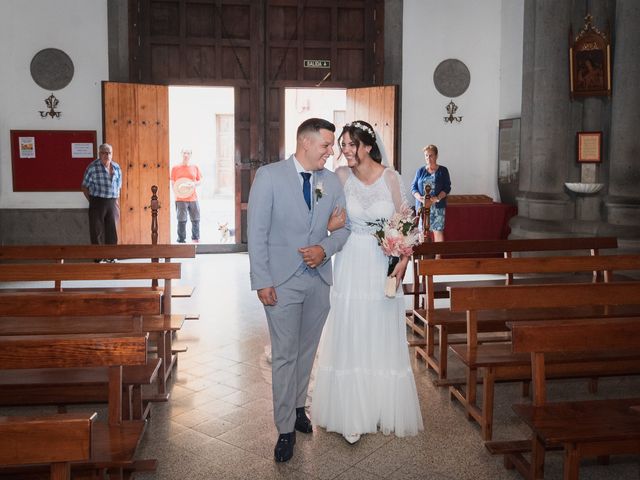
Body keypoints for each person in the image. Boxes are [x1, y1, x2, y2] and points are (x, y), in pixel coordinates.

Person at [312, 120, 424, 444]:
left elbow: (406, 221)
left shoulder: (391, 177)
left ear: (367, 146)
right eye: (343, 145)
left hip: (382, 263)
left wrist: (403, 260)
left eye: (350, 145)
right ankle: (351, 411)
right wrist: (329, 222)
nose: (344, 151)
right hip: (350, 259)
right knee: (351, 328)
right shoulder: (340, 176)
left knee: (378, 328)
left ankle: (378, 405)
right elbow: (320, 208)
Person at [247, 118, 350, 463]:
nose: (331, 151)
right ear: (305, 144)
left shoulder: (331, 180)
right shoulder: (270, 176)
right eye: (326, 145)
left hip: (318, 279)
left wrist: (325, 248)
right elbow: (257, 232)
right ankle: (284, 429)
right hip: (281, 281)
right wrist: (261, 280)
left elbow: (344, 227)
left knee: (307, 352)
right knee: (285, 354)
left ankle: (298, 408)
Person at [81, 143, 122, 252]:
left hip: (113, 202)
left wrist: (116, 202)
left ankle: (111, 256)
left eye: (109, 153)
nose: (107, 155)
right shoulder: (92, 167)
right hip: (97, 201)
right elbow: (84, 186)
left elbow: (119, 186)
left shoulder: (117, 167)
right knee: (96, 231)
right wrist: (92, 201)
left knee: (112, 231)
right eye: (104, 152)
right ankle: (98, 257)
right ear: (99, 154)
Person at [411, 144, 451, 242]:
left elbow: (447, 188)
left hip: (437, 206)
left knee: (438, 231)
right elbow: (413, 187)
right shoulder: (420, 171)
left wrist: (436, 198)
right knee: (421, 232)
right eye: (426, 155)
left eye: (431, 155)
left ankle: (438, 257)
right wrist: (420, 198)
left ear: (436, 156)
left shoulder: (443, 170)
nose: (428, 158)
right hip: (422, 206)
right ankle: (422, 256)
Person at [170, 149, 202, 243]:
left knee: (196, 219)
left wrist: (193, 184)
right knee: (181, 220)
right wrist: (176, 193)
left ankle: (195, 239)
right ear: (181, 154)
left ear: (191, 155)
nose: (186, 155)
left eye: (188, 153)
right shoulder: (175, 168)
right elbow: (173, 183)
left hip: (193, 197)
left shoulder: (194, 167)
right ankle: (181, 240)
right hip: (180, 198)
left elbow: (199, 180)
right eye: (184, 153)